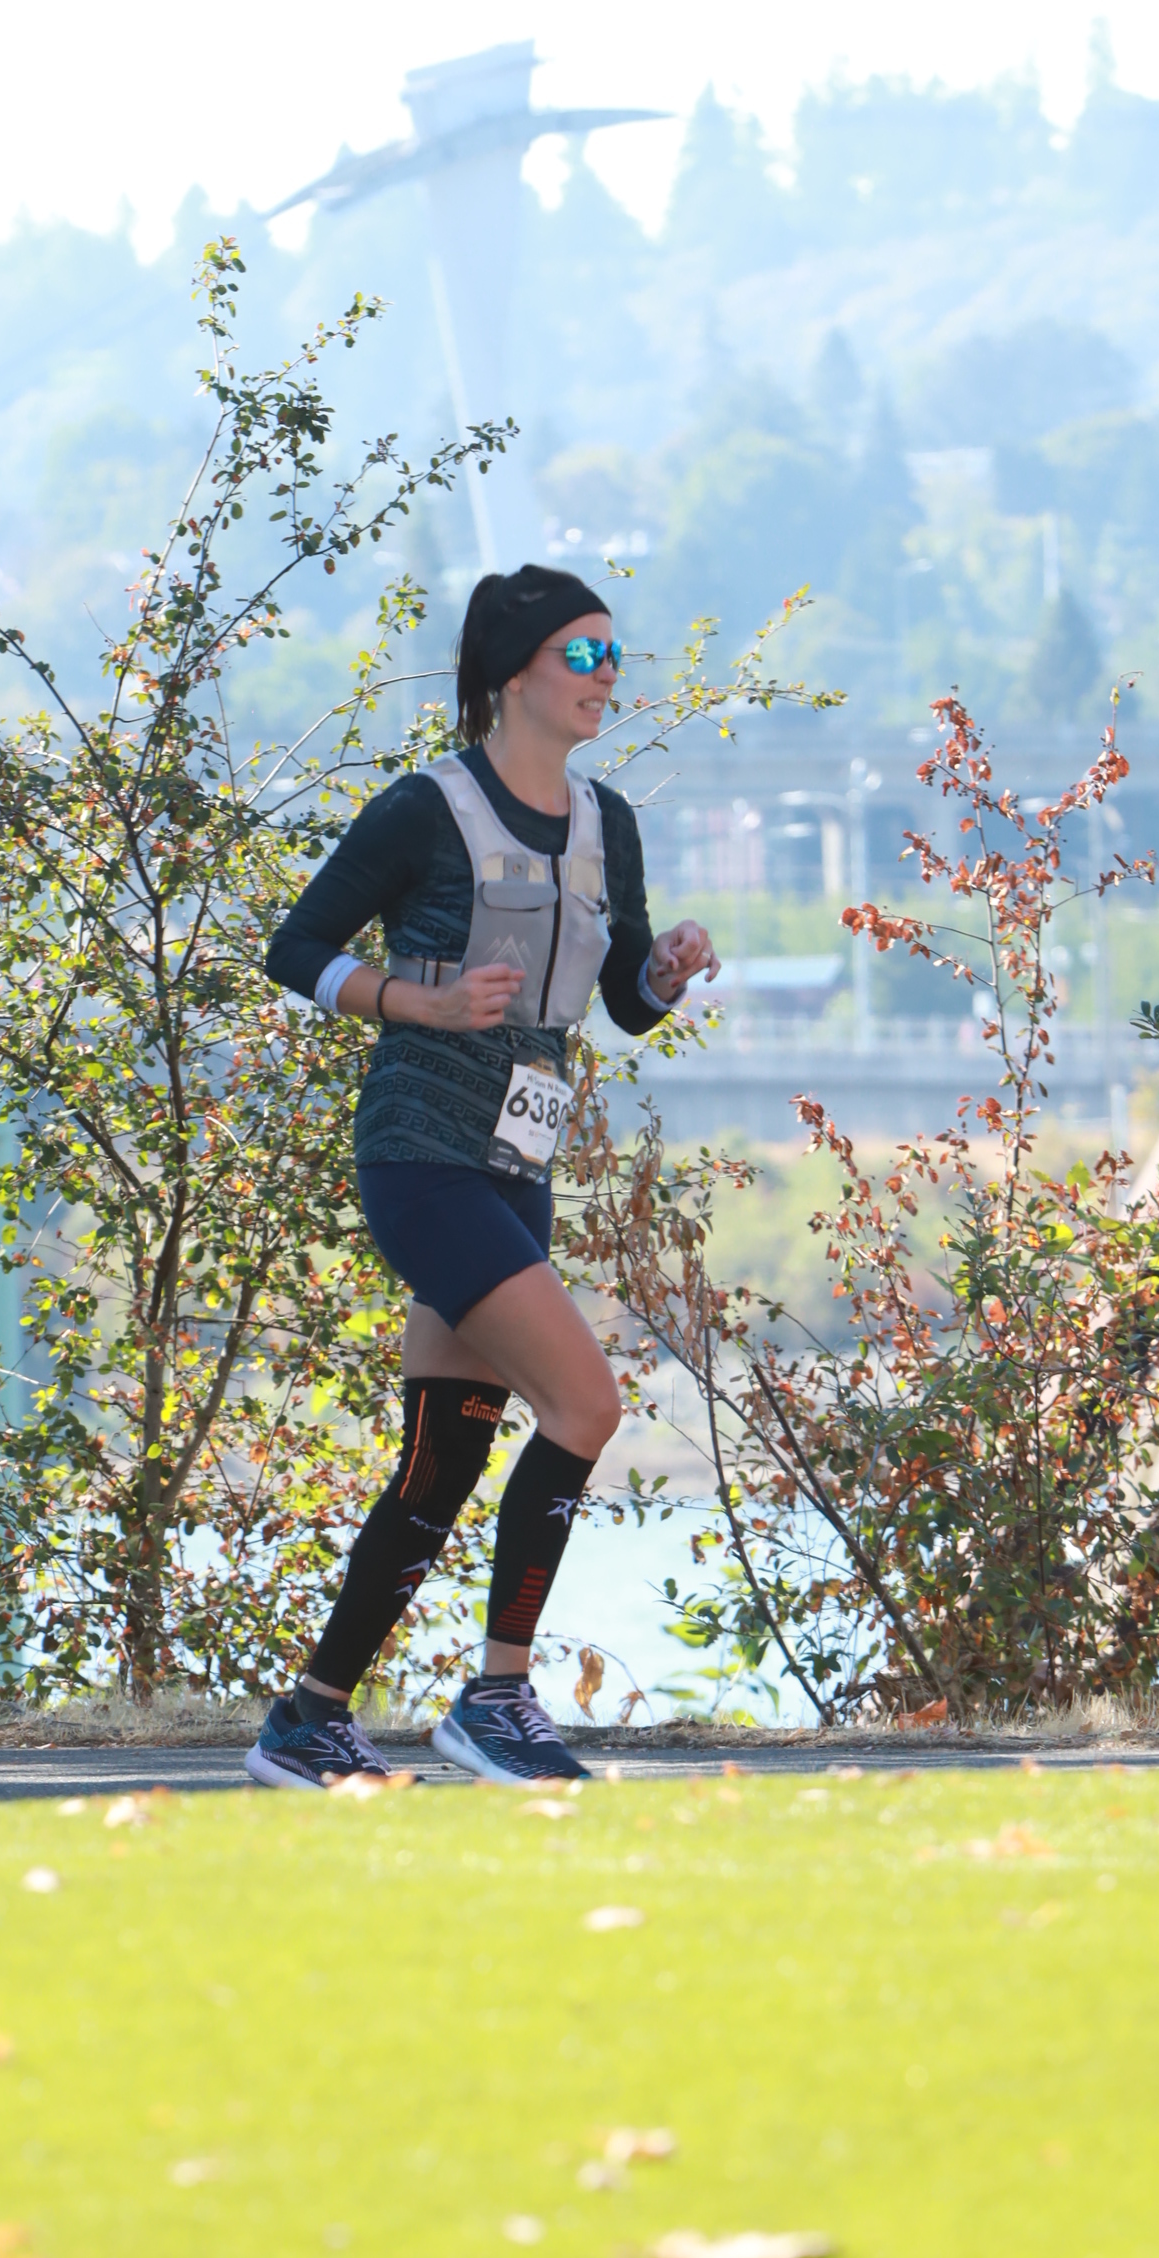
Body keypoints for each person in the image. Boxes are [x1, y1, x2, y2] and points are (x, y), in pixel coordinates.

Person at [246, 562, 721, 1789]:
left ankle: (308, 1717)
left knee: (441, 1460)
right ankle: (497, 1697)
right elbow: (292, 949)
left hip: (516, 1165)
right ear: (512, 673)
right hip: (422, 1154)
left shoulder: (607, 823)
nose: (606, 674)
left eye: (613, 654)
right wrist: (417, 1002)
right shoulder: (426, 809)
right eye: (582, 654)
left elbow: (622, 1003)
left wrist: (662, 972)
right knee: (584, 1407)